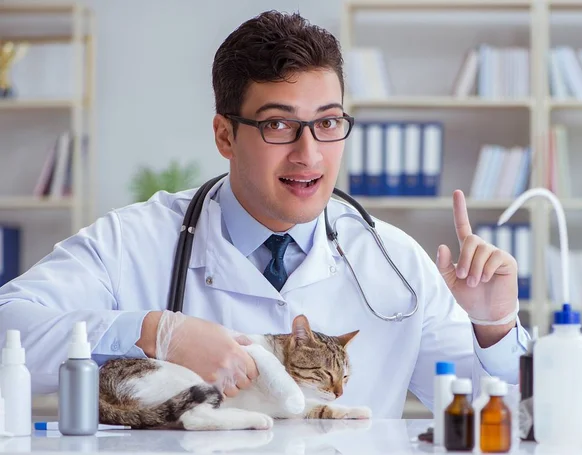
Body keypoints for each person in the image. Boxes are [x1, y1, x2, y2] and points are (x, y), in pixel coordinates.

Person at [0, 10, 528, 418]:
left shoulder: (395, 262)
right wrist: (153, 331)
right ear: (225, 135)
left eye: (327, 122)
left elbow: (497, 417)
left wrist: (495, 328)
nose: (310, 154)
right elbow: (10, 329)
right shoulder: (133, 240)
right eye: (279, 125)